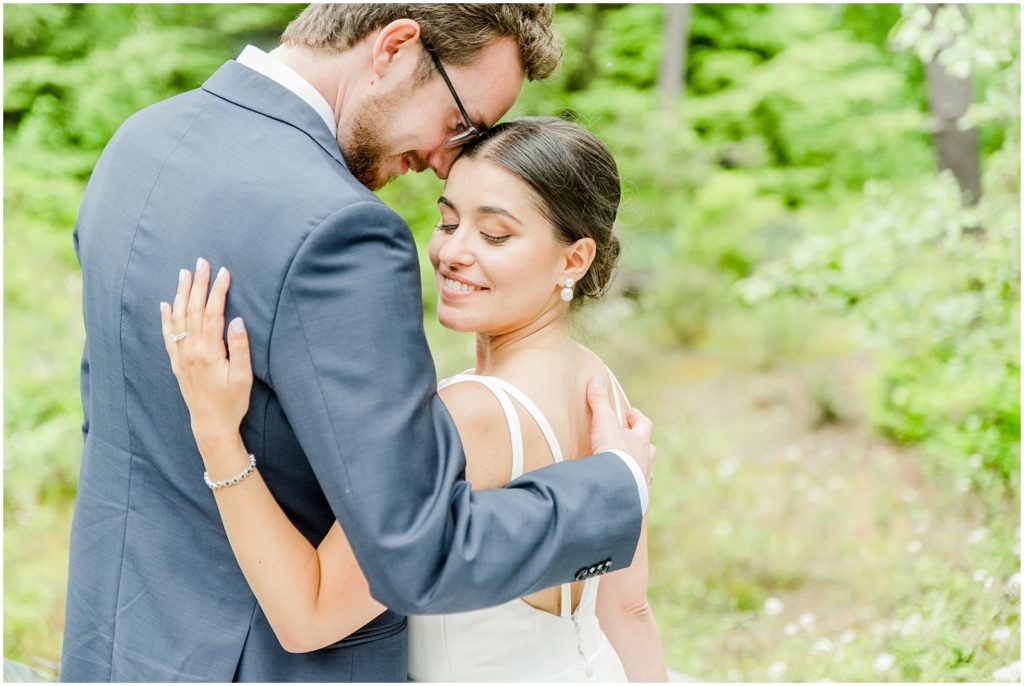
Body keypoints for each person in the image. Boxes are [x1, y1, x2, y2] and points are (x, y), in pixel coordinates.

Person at [62, 4, 655, 682]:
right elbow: (414, 555)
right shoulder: (338, 231)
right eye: (460, 124)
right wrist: (616, 488)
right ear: (397, 47)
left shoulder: (141, 141)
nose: (443, 161)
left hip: (118, 636)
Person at [160, 116, 668, 682]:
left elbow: (309, 616)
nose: (452, 251)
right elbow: (628, 609)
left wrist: (216, 434)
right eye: (447, 221)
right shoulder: (601, 388)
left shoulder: (472, 415)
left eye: (494, 234)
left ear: (574, 260)